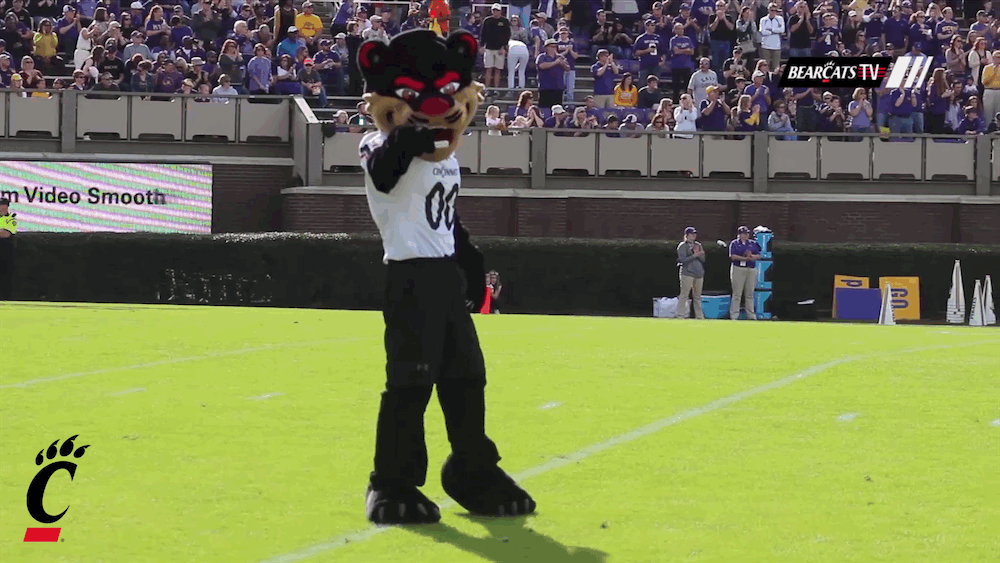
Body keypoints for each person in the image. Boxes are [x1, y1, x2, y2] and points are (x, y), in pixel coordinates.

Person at [356, 28, 535, 525]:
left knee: (466, 377)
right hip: (409, 275)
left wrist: (470, 262)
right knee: (409, 383)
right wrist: (416, 129)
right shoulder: (377, 141)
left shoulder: (447, 158)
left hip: (442, 278)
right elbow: (387, 172)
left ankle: (472, 471)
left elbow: (446, 219)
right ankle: (390, 482)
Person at [728, 225, 762, 320]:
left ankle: (751, 315)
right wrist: (744, 258)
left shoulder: (752, 243)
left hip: (750, 268)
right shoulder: (734, 243)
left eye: (747, 233)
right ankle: (734, 315)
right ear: (739, 234)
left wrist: (752, 256)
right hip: (738, 268)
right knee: (737, 293)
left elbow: (759, 255)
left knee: (749, 293)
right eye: (744, 233)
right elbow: (733, 256)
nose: (746, 235)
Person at [676, 226, 705, 320]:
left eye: (695, 234)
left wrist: (699, 254)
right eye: (692, 234)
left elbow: (703, 259)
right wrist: (694, 255)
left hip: (698, 273)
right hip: (687, 273)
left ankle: (699, 316)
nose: (694, 236)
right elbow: (683, 260)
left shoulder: (698, 245)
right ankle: (680, 315)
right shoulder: (682, 246)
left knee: (697, 296)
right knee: (684, 294)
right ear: (687, 235)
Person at [0, 197, 16, 300]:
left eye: (4, 205)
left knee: (5, 277)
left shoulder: (11, 219)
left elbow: (6, 234)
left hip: (5, 252)